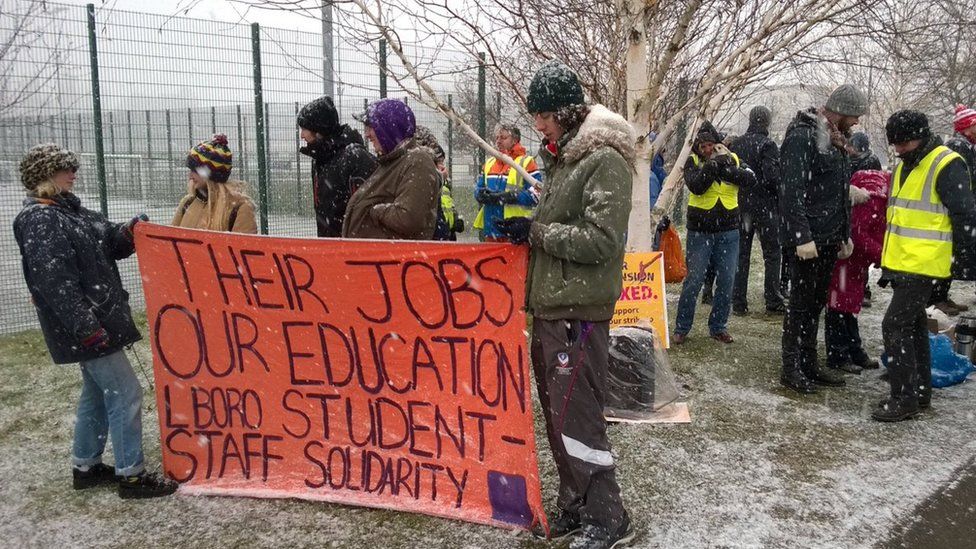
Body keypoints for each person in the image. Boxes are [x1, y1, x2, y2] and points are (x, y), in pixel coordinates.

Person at [495, 61, 634, 549]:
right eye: (534, 116)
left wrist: (536, 232)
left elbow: (602, 241)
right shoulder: (564, 158)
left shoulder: (605, 161)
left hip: (579, 311)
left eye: (545, 115)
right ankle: (576, 503)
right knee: (559, 413)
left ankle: (607, 516)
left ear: (570, 112)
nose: (538, 125)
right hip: (553, 308)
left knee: (578, 415)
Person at [13, 143, 177, 499]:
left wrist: (131, 231)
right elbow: (55, 283)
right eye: (65, 169)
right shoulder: (41, 220)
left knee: (97, 394)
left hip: (96, 323)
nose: (73, 173)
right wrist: (87, 328)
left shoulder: (71, 212)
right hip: (87, 327)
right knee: (126, 392)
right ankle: (131, 476)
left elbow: (110, 240)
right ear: (45, 176)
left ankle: (85, 466)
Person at [874, 110, 976, 421]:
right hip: (904, 261)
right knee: (914, 324)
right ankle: (918, 392)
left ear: (921, 135)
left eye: (903, 143)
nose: (898, 149)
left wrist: (963, 262)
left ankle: (904, 397)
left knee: (894, 325)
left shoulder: (945, 163)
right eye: (895, 144)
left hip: (925, 263)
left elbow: (965, 216)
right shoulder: (908, 163)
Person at [779, 84, 866, 394]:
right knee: (800, 306)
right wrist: (801, 236)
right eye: (854, 116)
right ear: (840, 111)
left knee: (816, 304)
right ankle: (791, 367)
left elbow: (838, 190)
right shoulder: (803, 136)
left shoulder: (836, 140)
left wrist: (844, 235)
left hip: (829, 238)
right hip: (807, 241)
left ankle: (809, 363)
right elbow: (791, 191)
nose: (856, 122)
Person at [671, 121, 757, 345]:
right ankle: (682, 327)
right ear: (697, 146)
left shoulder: (734, 159)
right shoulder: (692, 162)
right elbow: (697, 185)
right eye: (703, 146)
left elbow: (750, 179)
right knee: (694, 280)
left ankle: (718, 326)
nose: (708, 149)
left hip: (728, 229)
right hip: (700, 231)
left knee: (727, 280)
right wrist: (713, 166)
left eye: (712, 145)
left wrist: (725, 167)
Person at [342, 99, 439, 240]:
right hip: (374, 257)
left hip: (394, 259)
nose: (367, 134)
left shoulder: (417, 162)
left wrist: (375, 211)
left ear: (387, 128)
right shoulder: (392, 161)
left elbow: (408, 219)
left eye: (371, 127)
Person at [824, 169, 887, 374]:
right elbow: (859, 235)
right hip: (845, 260)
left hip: (853, 263)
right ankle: (838, 355)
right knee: (839, 308)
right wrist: (882, 256)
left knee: (848, 308)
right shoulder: (874, 201)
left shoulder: (875, 198)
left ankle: (853, 350)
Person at [729, 105, 786, 315]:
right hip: (765, 206)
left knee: (741, 254)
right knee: (772, 253)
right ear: (767, 122)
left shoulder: (737, 145)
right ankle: (772, 298)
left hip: (742, 204)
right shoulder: (768, 145)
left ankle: (739, 301)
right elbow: (772, 177)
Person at [298, 96, 377, 237]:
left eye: (305, 129)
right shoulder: (319, 159)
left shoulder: (355, 158)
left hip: (353, 249)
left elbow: (367, 211)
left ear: (319, 130)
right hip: (330, 248)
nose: (302, 135)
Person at [172, 134, 257, 233]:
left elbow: (244, 246)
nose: (190, 175)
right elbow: (168, 241)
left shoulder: (239, 208)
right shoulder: (187, 203)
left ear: (210, 174)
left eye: (195, 170)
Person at [473, 124, 541, 241]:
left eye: (503, 138)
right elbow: (478, 188)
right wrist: (480, 194)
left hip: (515, 231)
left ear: (515, 140)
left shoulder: (527, 162)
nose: (498, 141)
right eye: (497, 138)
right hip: (491, 230)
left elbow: (537, 194)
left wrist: (511, 197)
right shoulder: (489, 163)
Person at [414, 125, 464, 241]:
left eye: (442, 161)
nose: (442, 166)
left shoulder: (443, 182)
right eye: (438, 162)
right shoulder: (427, 177)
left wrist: (455, 219)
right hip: (434, 235)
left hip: (445, 233)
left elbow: (448, 204)